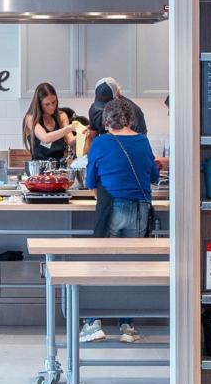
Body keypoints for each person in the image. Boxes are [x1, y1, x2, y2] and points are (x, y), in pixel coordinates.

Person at [79, 96, 160, 345]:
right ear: (131, 119)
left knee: (102, 265)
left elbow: (90, 182)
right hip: (140, 210)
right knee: (132, 267)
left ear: (106, 121)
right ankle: (127, 325)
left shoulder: (100, 143)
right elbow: (153, 176)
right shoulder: (142, 141)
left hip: (111, 208)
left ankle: (94, 323)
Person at [22, 82, 77, 163]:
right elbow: (45, 138)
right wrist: (69, 128)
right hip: (38, 167)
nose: (52, 107)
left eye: (54, 102)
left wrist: (84, 134)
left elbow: (70, 140)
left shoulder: (61, 116)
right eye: (47, 104)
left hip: (59, 166)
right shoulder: (30, 118)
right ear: (39, 104)